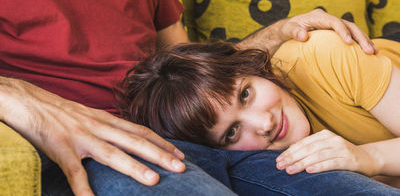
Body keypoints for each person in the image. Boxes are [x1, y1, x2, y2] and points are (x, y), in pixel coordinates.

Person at [0, 0, 391, 195]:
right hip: (95, 141)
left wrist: (277, 32)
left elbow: (191, 71)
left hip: (197, 135)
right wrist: (22, 100)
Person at [118, 30, 400, 189]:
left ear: (250, 67)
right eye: (231, 133)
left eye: (245, 94)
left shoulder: (321, 54)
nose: (264, 123)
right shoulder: (266, 165)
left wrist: (368, 156)